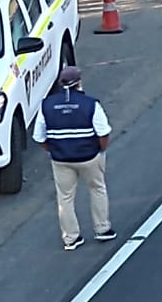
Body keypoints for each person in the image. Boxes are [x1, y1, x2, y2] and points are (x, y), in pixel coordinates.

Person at [34, 65, 114, 251]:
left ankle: (71, 238)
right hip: (89, 156)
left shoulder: (46, 105)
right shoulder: (90, 104)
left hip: (61, 159)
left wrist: (53, 150)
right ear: (79, 82)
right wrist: (100, 151)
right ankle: (102, 229)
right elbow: (103, 132)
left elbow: (39, 137)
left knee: (65, 197)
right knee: (97, 189)